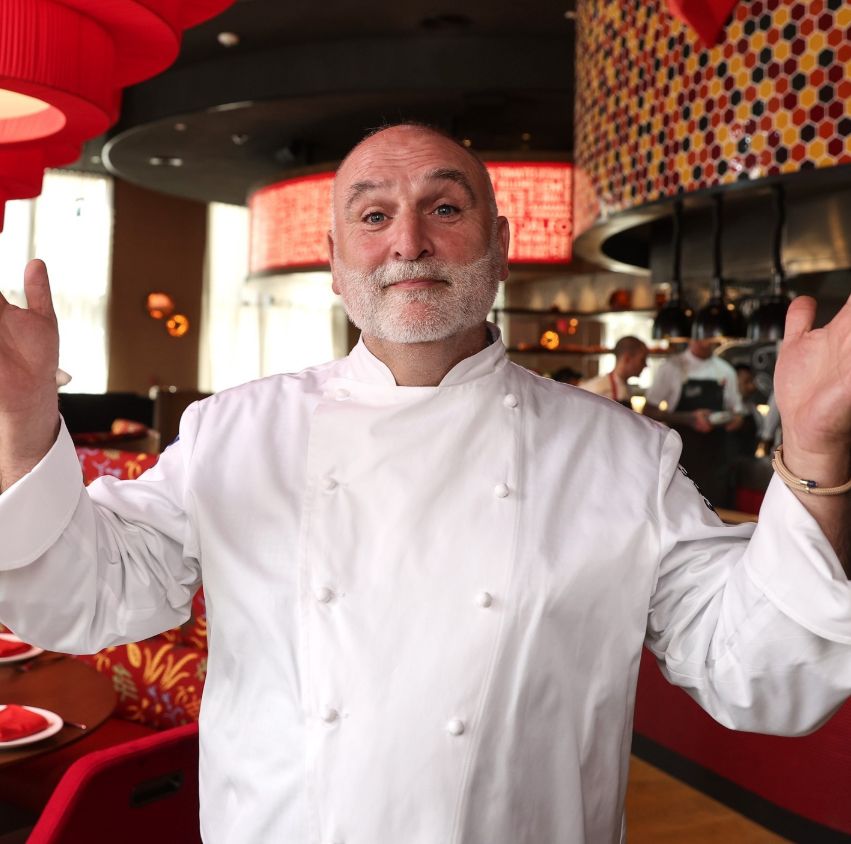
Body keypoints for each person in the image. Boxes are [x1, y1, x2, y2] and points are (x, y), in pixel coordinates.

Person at [0, 123, 849, 844]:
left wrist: (813, 449)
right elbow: (92, 598)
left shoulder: (622, 456)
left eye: (444, 208)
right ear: (336, 263)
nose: (408, 242)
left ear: (501, 249)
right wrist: (25, 425)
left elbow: (759, 674)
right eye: (374, 216)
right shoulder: (232, 432)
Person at [643, 338, 745, 506]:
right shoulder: (671, 367)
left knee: (717, 510)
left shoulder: (726, 371)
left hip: (716, 457)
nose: (704, 341)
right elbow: (648, 411)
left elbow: (738, 414)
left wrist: (731, 420)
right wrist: (689, 418)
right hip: (681, 456)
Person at [578, 335, 648, 406]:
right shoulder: (598, 390)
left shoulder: (626, 387)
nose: (646, 365)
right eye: (642, 360)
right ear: (627, 359)